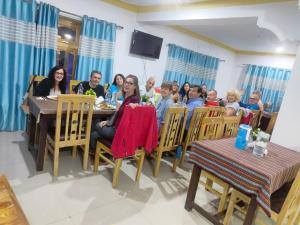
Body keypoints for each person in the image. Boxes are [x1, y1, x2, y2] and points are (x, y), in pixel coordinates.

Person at [90, 75, 140, 152]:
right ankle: (95, 154)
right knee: (94, 134)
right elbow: (119, 115)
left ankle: (96, 151)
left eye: (130, 83)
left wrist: (135, 105)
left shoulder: (134, 99)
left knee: (96, 124)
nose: (127, 84)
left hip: (119, 132)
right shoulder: (127, 97)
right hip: (116, 128)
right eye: (126, 82)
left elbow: (135, 106)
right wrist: (108, 122)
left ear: (135, 86)